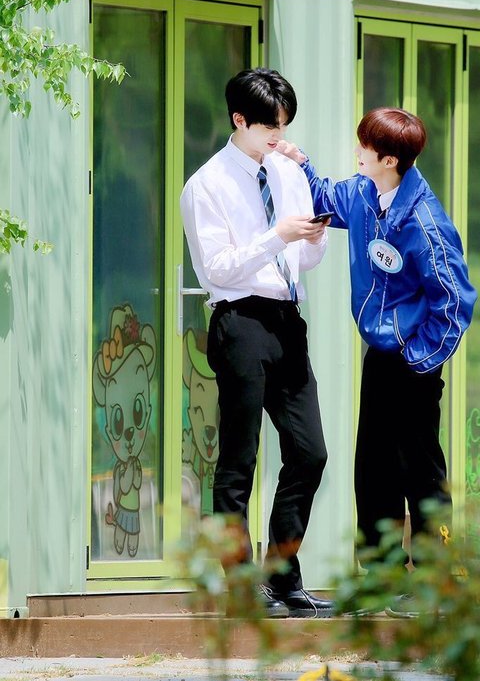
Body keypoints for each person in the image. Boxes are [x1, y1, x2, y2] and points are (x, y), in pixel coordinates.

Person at [278, 108, 477, 599]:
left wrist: (419, 359)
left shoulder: (425, 222)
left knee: (421, 474)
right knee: (373, 470)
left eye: (365, 146)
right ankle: (382, 578)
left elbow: (456, 302)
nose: (357, 151)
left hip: (413, 363)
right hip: (380, 359)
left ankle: (433, 581)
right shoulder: (364, 194)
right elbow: (325, 197)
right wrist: (299, 161)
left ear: (389, 160)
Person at [180, 67, 333, 619]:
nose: (278, 135)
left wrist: (309, 239)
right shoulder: (206, 185)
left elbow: (304, 260)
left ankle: (282, 575)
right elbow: (218, 267)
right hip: (239, 320)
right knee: (239, 459)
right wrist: (276, 236)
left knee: (310, 452)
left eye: (283, 124)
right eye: (269, 126)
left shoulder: (288, 172)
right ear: (239, 119)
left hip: (287, 318)